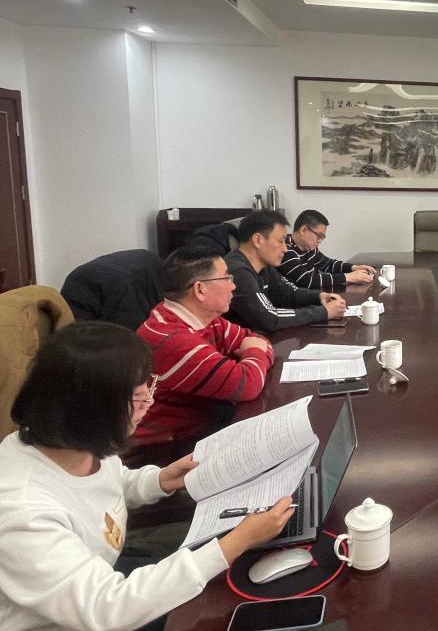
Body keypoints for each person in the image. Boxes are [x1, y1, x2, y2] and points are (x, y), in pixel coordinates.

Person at [0, 322, 294, 631]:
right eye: (139, 398)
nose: (149, 405)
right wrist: (238, 541)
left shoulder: (73, 442)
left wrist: (160, 480)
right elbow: (107, 608)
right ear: (96, 411)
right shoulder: (22, 511)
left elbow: (105, 483)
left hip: (104, 577)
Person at [134, 244, 275, 445]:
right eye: (226, 278)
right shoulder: (173, 340)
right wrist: (253, 352)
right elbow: (248, 384)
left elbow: (257, 340)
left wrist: (253, 352)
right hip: (166, 448)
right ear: (200, 289)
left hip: (201, 427)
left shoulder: (203, 318)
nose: (233, 286)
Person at [225, 211, 347, 334]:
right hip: (244, 342)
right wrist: (324, 312)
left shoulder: (264, 266)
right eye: (281, 241)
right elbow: (270, 318)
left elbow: (289, 293)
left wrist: (319, 296)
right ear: (258, 240)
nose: (285, 249)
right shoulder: (237, 271)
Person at [279, 209, 376, 292]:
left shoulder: (309, 248)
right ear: (303, 230)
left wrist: (353, 268)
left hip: (312, 296)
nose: (320, 241)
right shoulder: (285, 249)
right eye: (319, 235)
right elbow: (307, 280)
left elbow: (328, 264)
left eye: (322, 237)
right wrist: (348, 277)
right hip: (297, 302)